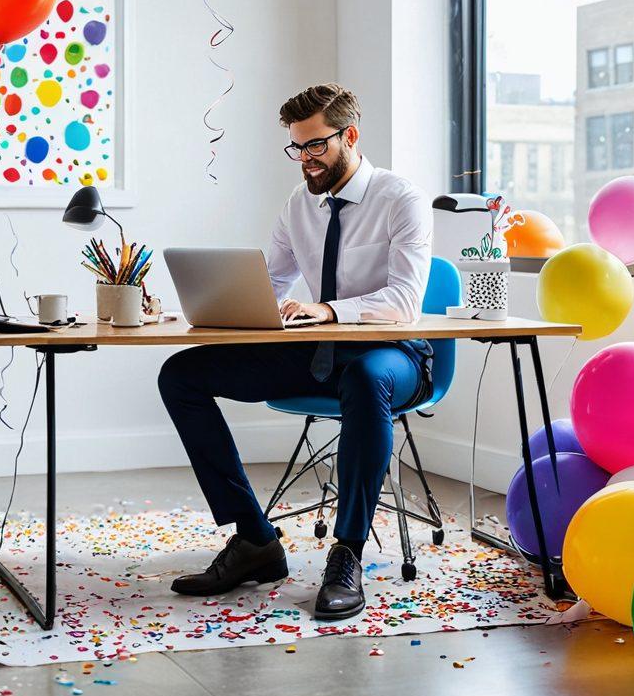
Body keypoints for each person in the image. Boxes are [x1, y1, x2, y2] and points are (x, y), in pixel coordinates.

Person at [158, 83, 433, 620]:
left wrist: (328, 309)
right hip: (319, 354)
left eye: (316, 146)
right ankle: (255, 538)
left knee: (365, 378)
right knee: (181, 375)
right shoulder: (298, 206)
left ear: (350, 136)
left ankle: (347, 552)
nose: (305, 161)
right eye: (297, 148)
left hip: (396, 355)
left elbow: (404, 301)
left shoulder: (401, 199)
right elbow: (270, 283)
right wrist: (216, 304)